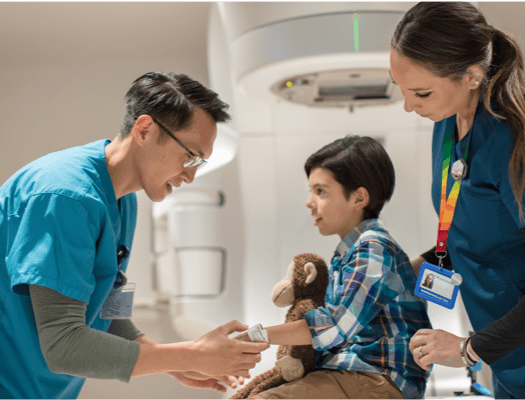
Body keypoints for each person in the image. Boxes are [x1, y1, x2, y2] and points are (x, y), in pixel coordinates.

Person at [0, 72, 269, 399]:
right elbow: (63, 346)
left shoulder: (124, 200)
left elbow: (108, 310)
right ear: (145, 129)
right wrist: (193, 353)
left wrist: (173, 362)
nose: (191, 175)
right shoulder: (67, 196)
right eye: (191, 156)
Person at [389, 2, 525, 399]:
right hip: (509, 349)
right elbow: (472, 234)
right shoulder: (449, 121)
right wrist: (395, 276)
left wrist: (468, 350)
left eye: (420, 92)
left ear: (472, 75)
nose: (408, 105)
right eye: (399, 89)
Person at [243, 135, 431, 399]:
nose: (310, 202)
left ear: (359, 198)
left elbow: (332, 328)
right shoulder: (350, 253)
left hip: (377, 377)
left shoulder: (372, 250)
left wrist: (253, 337)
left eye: (320, 191)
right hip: (356, 374)